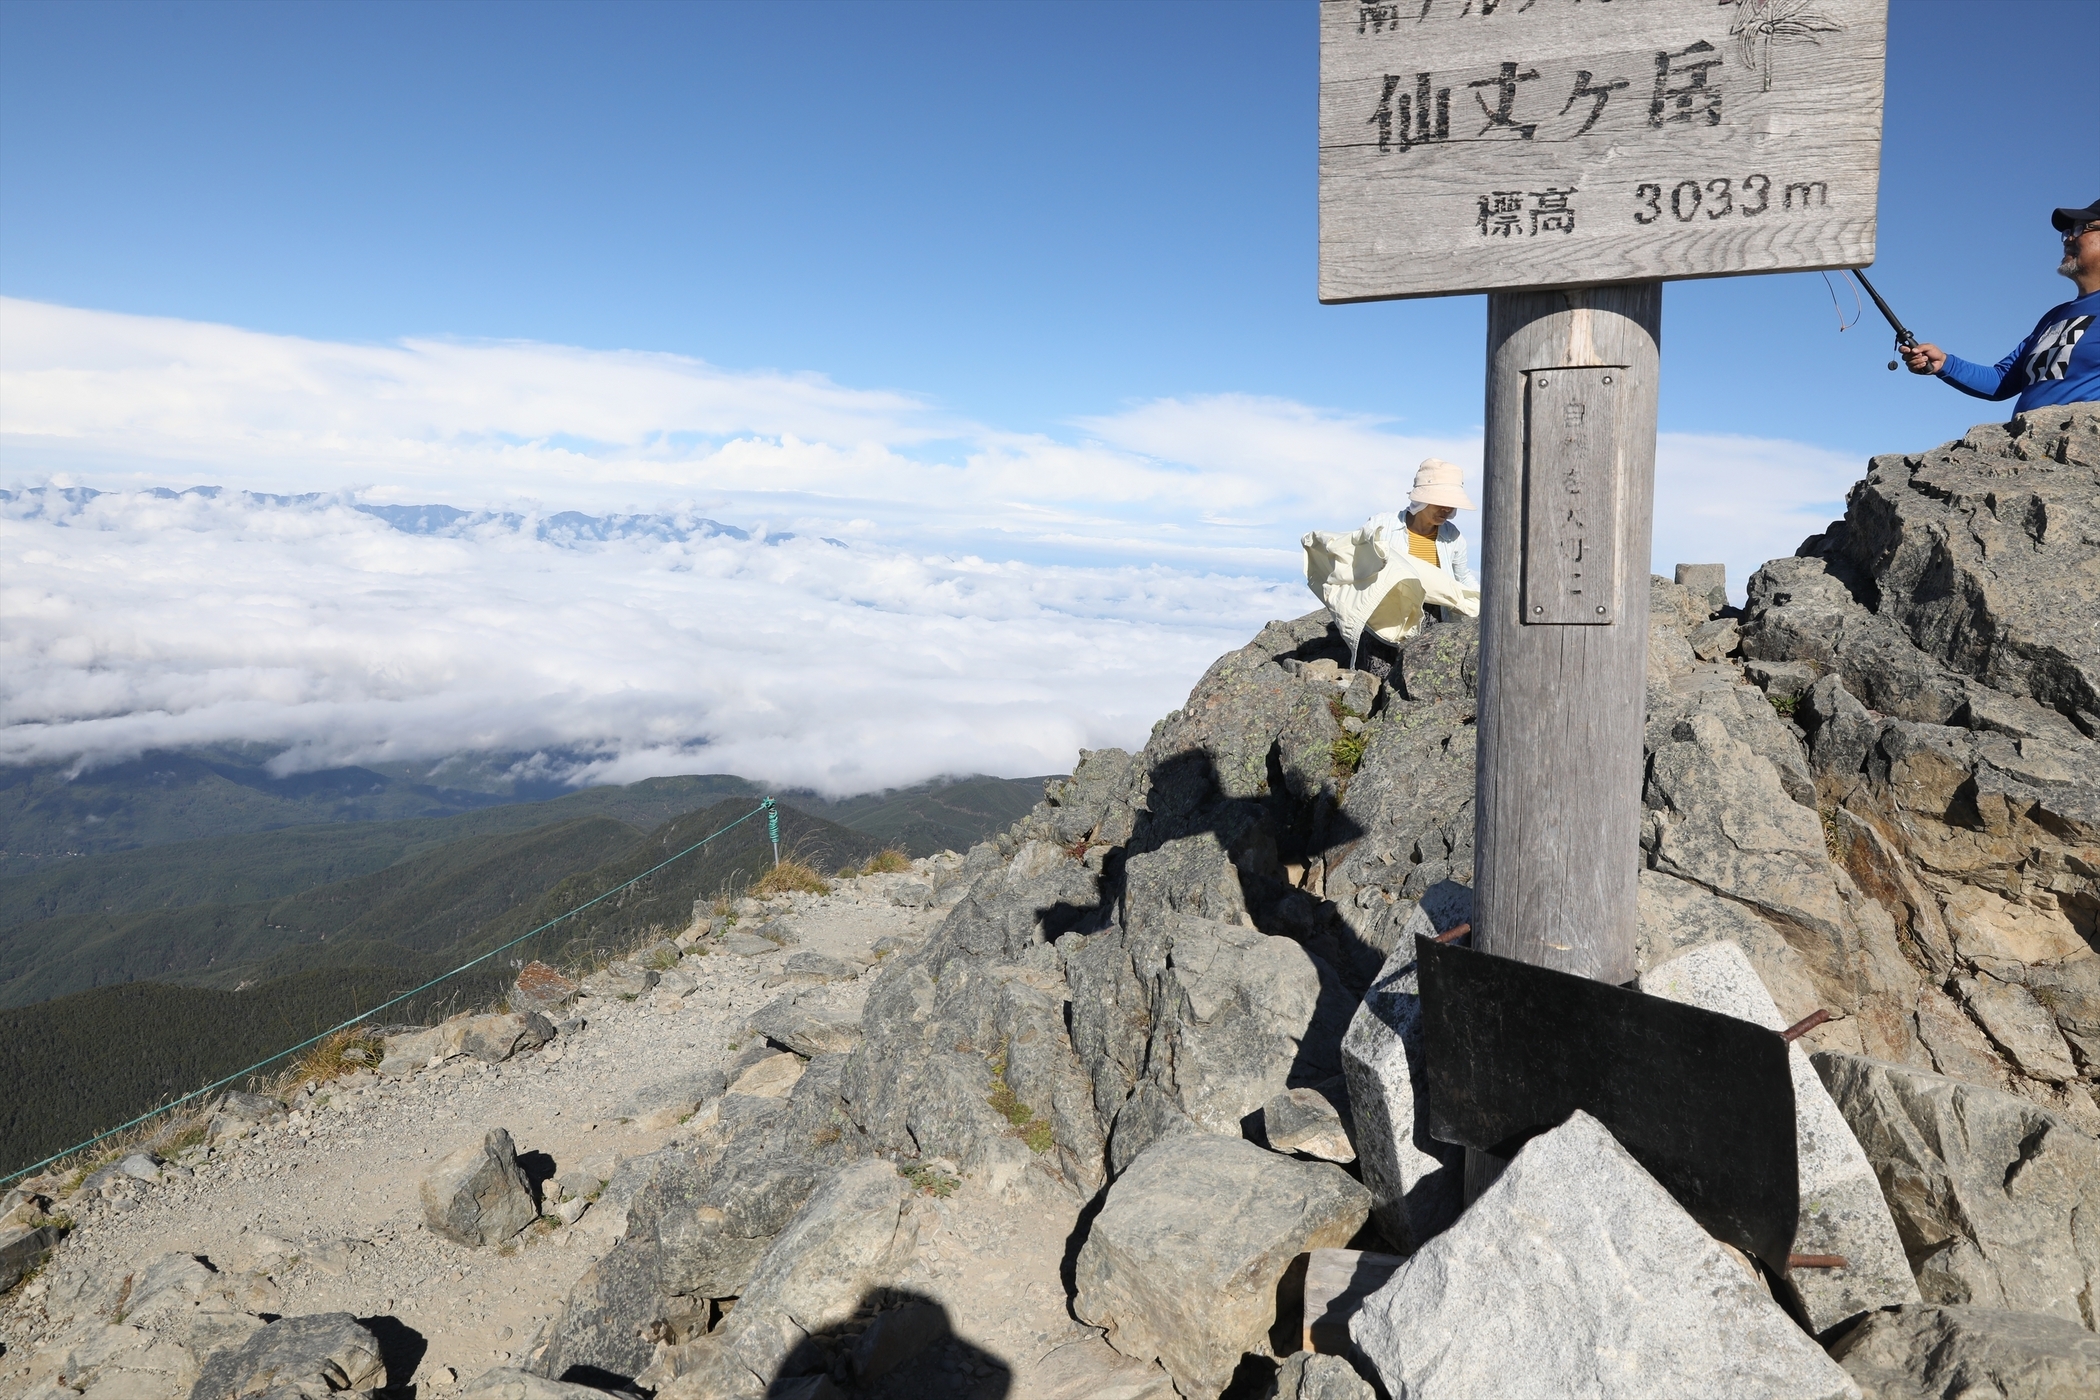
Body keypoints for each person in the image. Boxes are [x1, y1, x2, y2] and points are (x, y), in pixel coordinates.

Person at [1898, 198, 2099, 410]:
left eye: (2079, 229)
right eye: (2067, 231)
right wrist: (1944, 364)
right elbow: (2002, 380)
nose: (2067, 238)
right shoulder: (2054, 317)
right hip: (2031, 440)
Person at [1365, 457, 1478, 588]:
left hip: (1437, 608)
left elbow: (1462, 577)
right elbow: (1357, 566)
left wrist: (1483, 602)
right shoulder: (1381, 526)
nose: (1447, 509)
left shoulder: (1453, 537)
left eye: (1452, 504)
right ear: (1422, 500)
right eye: (1441, 502)